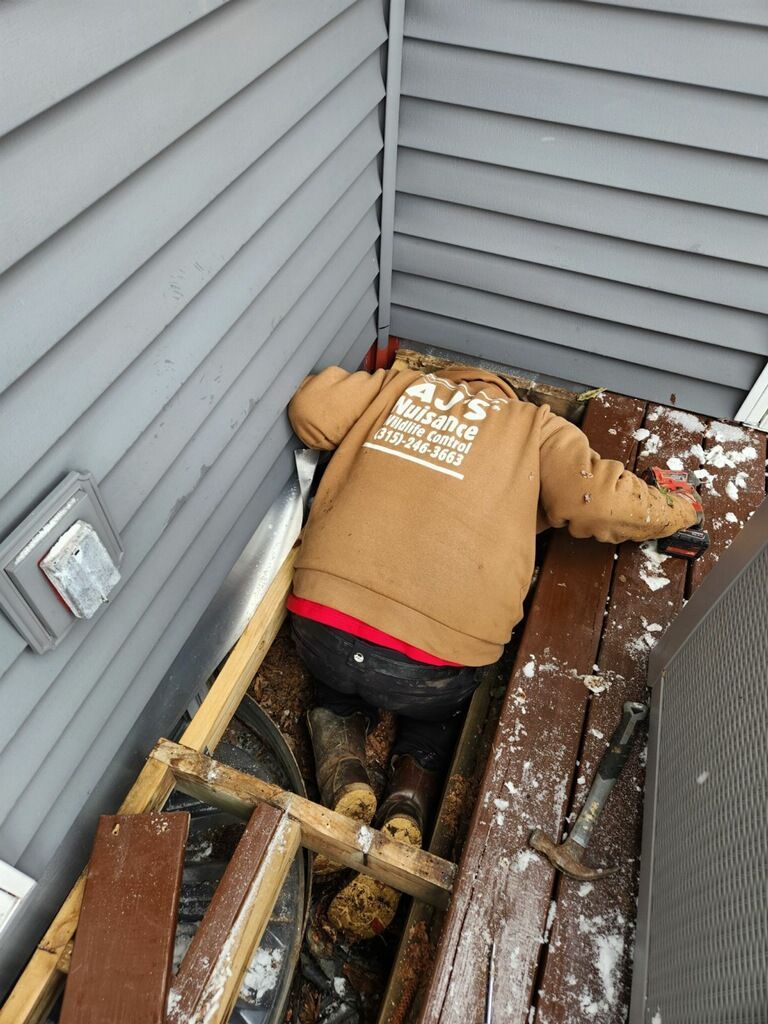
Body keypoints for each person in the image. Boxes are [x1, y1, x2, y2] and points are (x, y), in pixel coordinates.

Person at [285, 363, 699, 938]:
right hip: (431, 666)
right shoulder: (539, 430)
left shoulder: (400, 387)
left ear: (452, 378)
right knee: (436, 716)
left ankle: (345, 779)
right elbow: (599, 503)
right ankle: (406, 801)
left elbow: (310, 410)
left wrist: (381, 386)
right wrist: (678, 508)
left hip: (320, 629)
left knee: (335, 685)